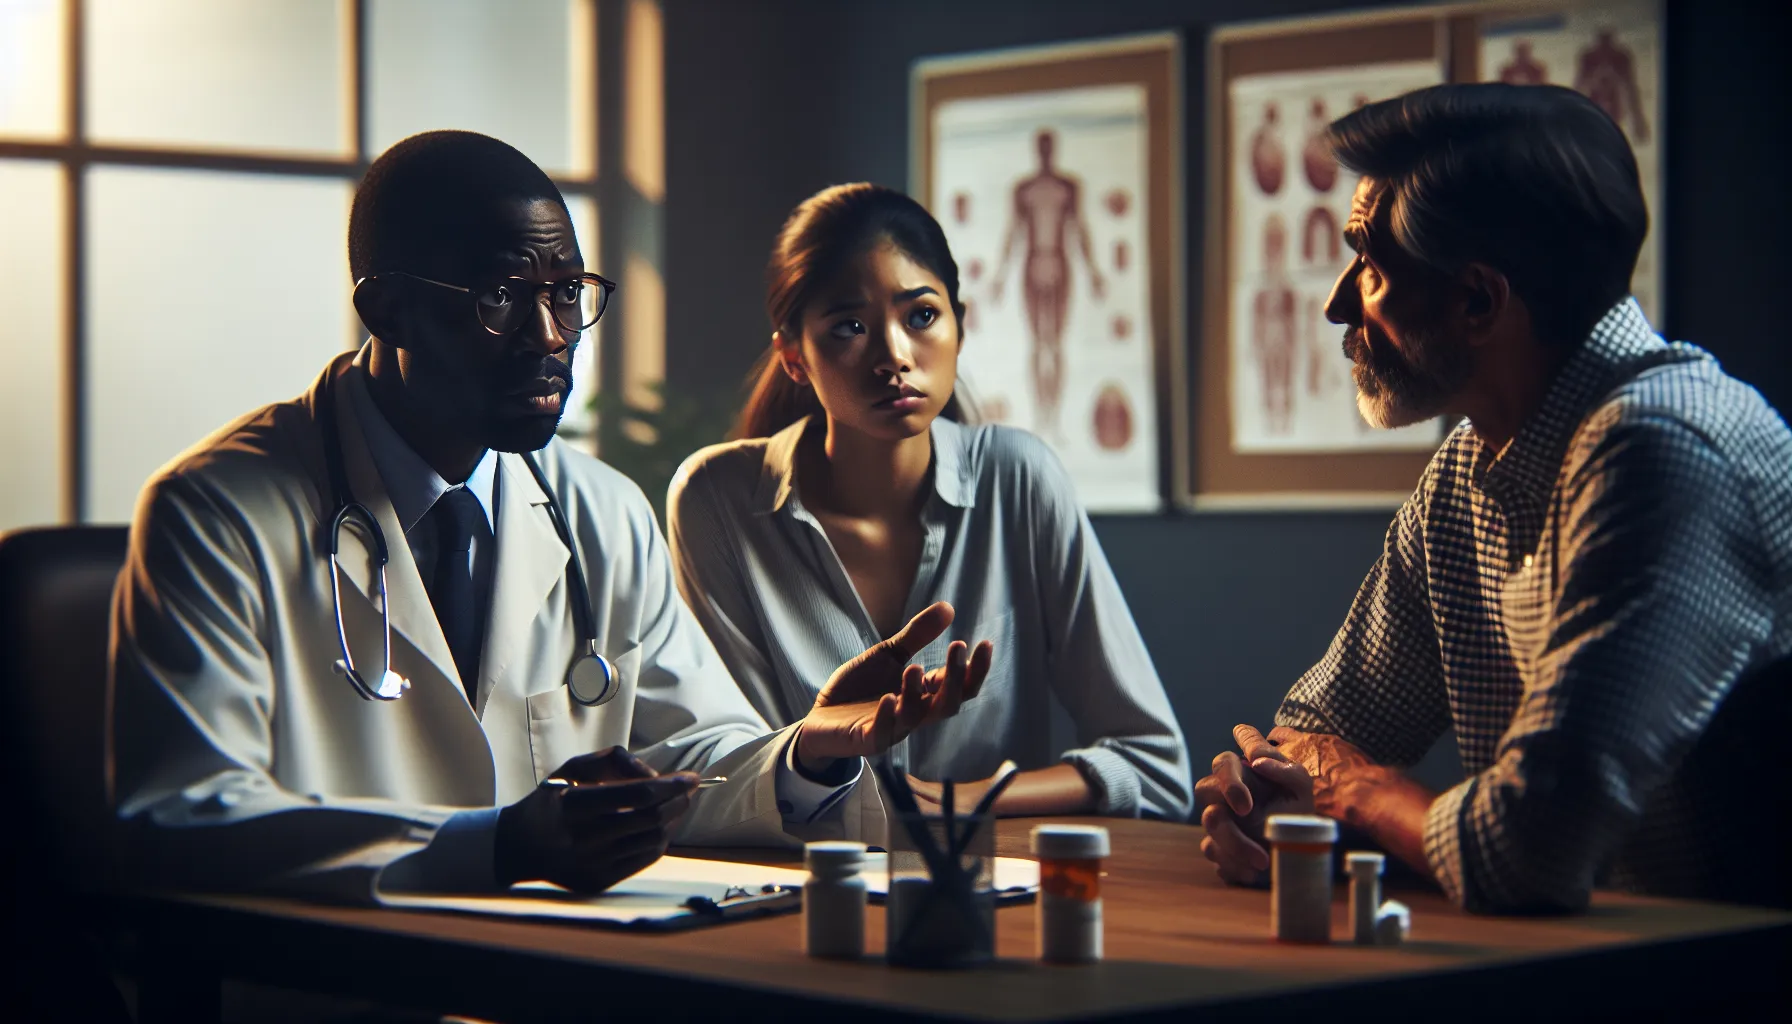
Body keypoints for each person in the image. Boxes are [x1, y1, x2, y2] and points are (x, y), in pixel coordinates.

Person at [107, 133, 989, 900]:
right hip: (328, 991)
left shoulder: (600, 512)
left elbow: (693, 757)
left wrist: (811, 751)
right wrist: (497, 846)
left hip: (553, 981)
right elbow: (183, 814)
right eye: (499, 298)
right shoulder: (216, 514)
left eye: (567, 293)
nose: (550, 336)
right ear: (387, 310)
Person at [1194, 84, 1792, 912]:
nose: (1335, 303)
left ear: (1477, 300)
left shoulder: (1665, 453)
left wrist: (1359, 798)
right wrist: (1266, 798)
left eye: (1368, 265)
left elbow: (1529, 846)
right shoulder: (1466, 471)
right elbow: (1310, 739)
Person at [666, 183, 1191, 821]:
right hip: (799, 899)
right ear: (794, 357)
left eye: (920, 316)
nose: (895, 356)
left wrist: (962, 801)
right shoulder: (717, 503)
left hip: (989, 898)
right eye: (849, 328)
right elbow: (724, 780)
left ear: (959, 326)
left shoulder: (1019, 481)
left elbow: (1155, 769)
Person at [988, 130, 1107, 442]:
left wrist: (1093, 271)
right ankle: (1039, 414)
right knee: (1036, 345)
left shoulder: (1068, 187)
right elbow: (1013, 232)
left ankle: (1054, 416)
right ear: (1036, 151)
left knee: (1056, 345)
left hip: (1060, 263)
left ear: (1054, 150)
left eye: (1048, 147)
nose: (1044, 152)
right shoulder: (1023, 189)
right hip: (1031, 264)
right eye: (1040, 147)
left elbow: (1079, 228)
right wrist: (999, 277)